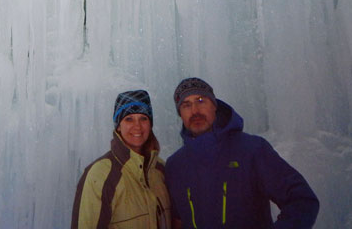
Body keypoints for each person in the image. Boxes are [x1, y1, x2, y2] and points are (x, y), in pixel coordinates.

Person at [166, 78, 319, 228]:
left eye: (200, 100)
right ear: (180, 114)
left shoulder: (252, 150)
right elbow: (177, 221)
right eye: (186, 105)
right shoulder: (175, 166)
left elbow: (302, 200)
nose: (195, 111)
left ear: (214, 106)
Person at [72, 89, 172, 228]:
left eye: (143, 118)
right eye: (129, 119)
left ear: (150, 124)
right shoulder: (101, 175)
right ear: (118, 126)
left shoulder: (160, 169)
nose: (137, 126)